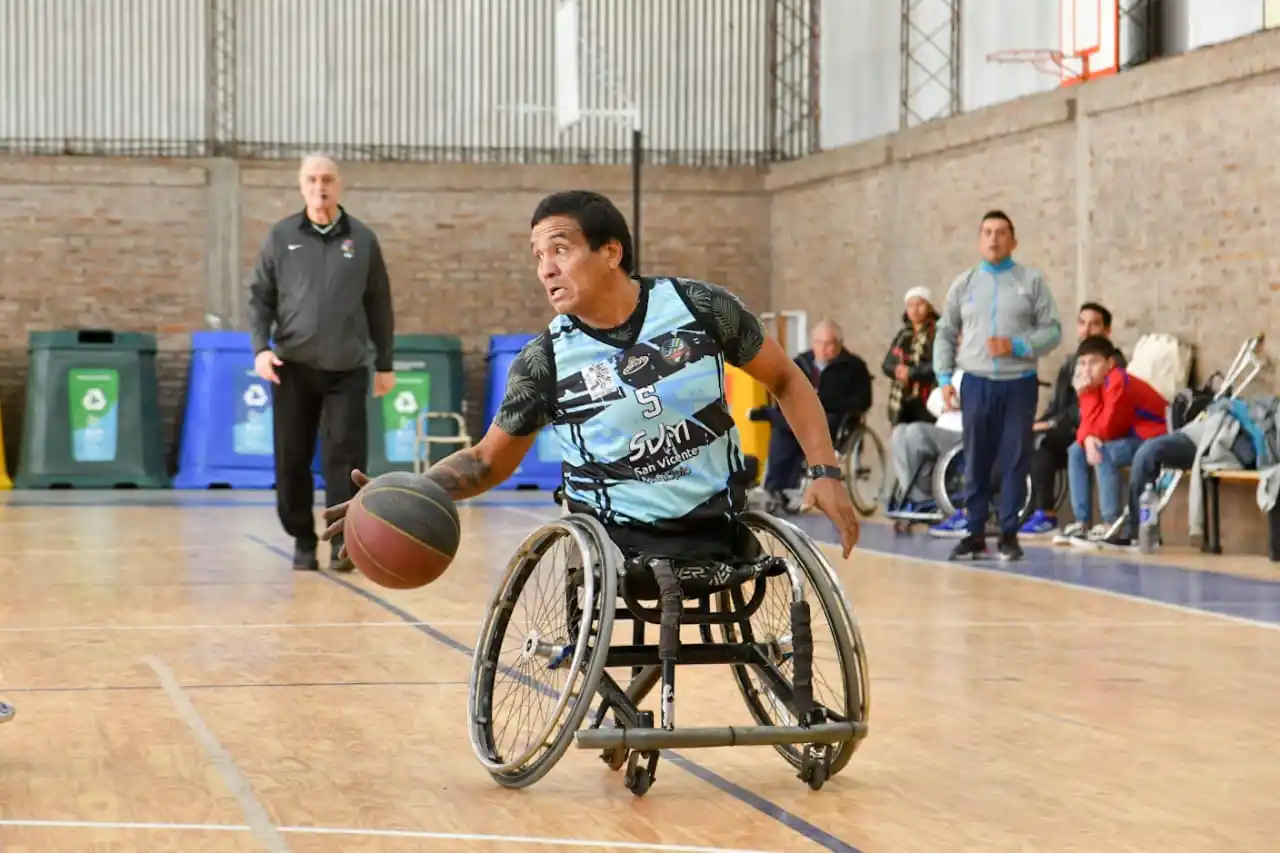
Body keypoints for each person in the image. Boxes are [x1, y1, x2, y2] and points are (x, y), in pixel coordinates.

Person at [319, 189, 861, 569]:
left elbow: (787, 380)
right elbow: (486, 461)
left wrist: (825, 471)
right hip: (610, 542)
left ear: (610, 252)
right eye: (537, 255)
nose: (545, 268)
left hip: (719, 526)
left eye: (560, 248)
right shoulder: (544, 360)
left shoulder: (699, 307)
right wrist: (404, 493)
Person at [246, 153, 397, 572]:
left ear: (339, 184)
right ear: (301, 185)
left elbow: (379, 305)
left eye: (327, 178)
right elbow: (260, 297)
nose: (320, 186)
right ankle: (301, 539)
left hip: (346, 368)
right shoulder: (281, 236)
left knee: (345, 462)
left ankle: (341, 541)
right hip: (291, 367)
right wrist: (260, 348)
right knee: (291, 458)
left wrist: (384, 363)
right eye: (312, 179)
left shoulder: (362, 240)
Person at [931, 210, 1062, 561]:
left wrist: (1018, 346)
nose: (993, 239)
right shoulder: (965, 283)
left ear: (1013, 240)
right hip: (976, 384)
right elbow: (944, 332)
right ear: (979, 240)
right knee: (975, 460)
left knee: (1015, 459)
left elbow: (1053, 330)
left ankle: (1008, 533)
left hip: (1018, 385)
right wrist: (944, 379)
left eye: (1001, 232)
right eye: (987, 232)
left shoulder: (1030, 282)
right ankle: (974, 534)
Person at [1020, 302, 1126, 536]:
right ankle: (1024, 511)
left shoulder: (1112, 362)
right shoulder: (1072, 362)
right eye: (1082, 323)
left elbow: (1088, 408)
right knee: (1024, 438)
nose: (1086, 329)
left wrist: (1051, 424)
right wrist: (1042, 421)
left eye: (1094, 324)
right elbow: (1057, 404)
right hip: (1073, 428)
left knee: (1047, 446)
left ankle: (1047, 515)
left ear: (1107, 330)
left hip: (1094, 429)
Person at [1054, 335, 1168, 548]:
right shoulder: (1096, 385)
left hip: (1154, 437)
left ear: (1109, 363)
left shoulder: (1118, 380)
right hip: (1130, 435)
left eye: (1094, 362)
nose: (1087, 370)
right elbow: (1089, 424)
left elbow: (1108, 428)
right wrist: (1087, 437)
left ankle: (1111, 524)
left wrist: (1086, 399)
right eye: (1083, 363)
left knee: (1102, 451)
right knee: (1075, 450)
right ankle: (1082, 522)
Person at [749, 320, 872, 513]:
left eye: (829, 343)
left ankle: (771, 416)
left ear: (839, 343)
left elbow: (863, 401)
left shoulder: (854, 367)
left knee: (795, 423)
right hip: (802, 417)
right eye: (818, 342)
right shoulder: (800, 363)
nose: (823, 348)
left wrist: (825, 403)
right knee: (784, 428)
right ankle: (774, 488)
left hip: (834, 420)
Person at [888, 367, 964, 513]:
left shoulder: (986, 370)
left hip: (965, 434)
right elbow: (932, 400)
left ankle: (923, 498)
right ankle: (913, 497)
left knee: (917, 433)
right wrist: (946, 403)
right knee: (899, 433)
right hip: (943, 429)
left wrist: (958, 401)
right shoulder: (960, 369)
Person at [882, 286, 939, 427]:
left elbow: (939, 363)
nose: (915, 309)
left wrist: (912, 373)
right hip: (902, 398)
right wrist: (897, 371)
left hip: (926, 397)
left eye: (920, 304)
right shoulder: (903, 335)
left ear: (929, 307)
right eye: (910, 305)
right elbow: (887, 363)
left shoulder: (937, 332)